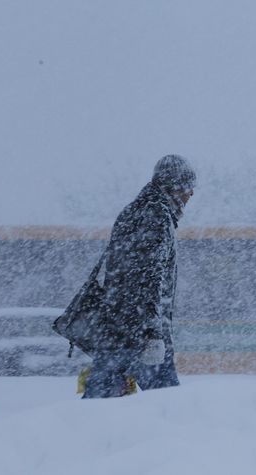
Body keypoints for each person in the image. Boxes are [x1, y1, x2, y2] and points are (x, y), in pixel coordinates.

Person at [82, 155, 196, 398]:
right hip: (140, 333)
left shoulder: (134, 211)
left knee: (98, 402)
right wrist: (153, 333)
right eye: (188, 187)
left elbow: (123, 275)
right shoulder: (156, 216)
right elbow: (148, 278)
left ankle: (81, 433)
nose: (191, 194)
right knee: (168, 405)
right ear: (172, 187)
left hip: (115, 327)